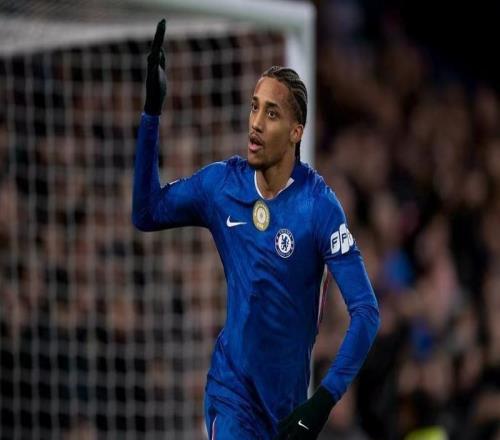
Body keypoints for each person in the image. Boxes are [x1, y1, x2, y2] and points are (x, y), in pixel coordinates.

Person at [132, 20, 380, 440]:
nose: (256, 123)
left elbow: (366, 312)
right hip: (232, 397)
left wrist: (322, 400)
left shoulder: (318, 207)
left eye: (272, 113)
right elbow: (146, 212)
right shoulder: (221, 185)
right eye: (254, 107)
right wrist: (151, 114)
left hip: (287, 410)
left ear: (296, 132)